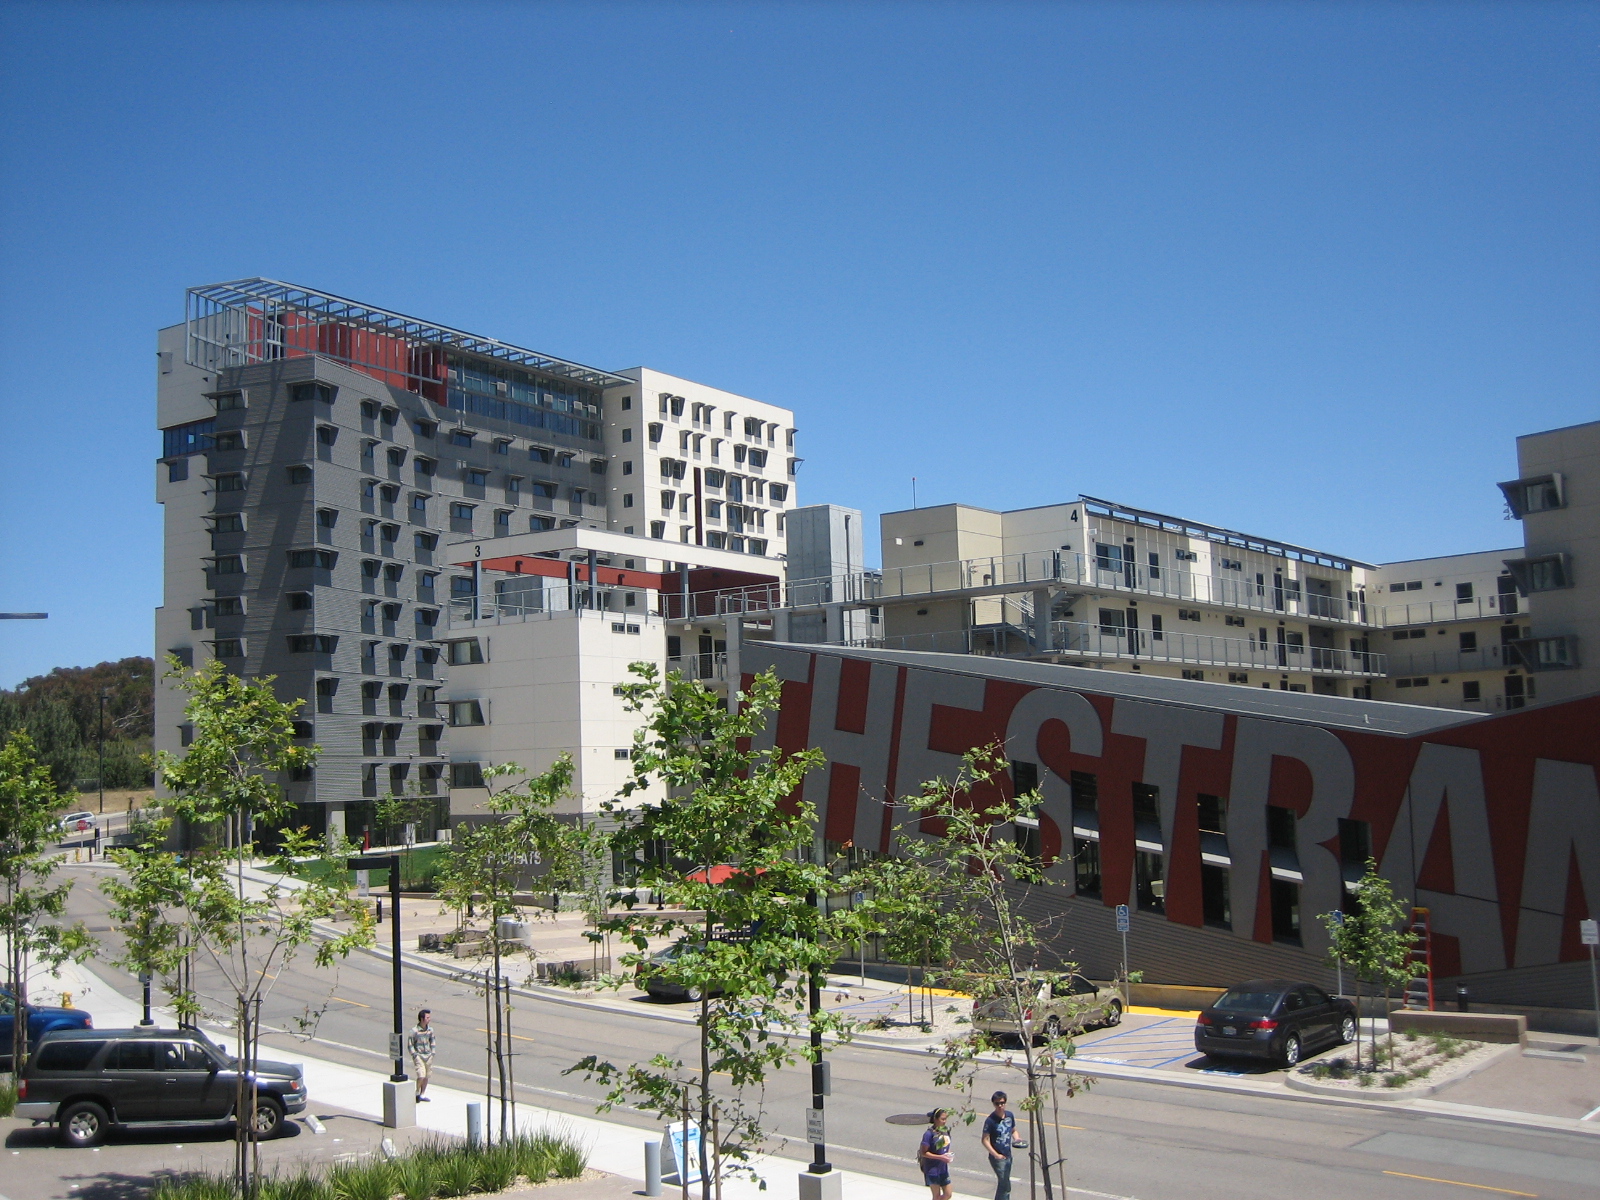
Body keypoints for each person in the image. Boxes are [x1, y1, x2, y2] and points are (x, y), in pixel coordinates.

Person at [981, 1091, 1018, 1200]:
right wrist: (996, 1155)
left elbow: (1013, 1130)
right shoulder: (990, 1120)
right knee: (1005, 1185)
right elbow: (985, 1140)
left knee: (1004, 1183)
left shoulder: (1009, 1116)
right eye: (997, 1104)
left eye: (1002, 1103)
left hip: (1008, 1155)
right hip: (997, 1158)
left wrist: (1017, 1139)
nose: (1000, 1106)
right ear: (993, 1104)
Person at [918, 1108, 953, 1200]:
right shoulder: (929, 1134)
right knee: (936, 1196)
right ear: (935, 1119)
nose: (944, 1121)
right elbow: (924, 1152)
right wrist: (940, 1157)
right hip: (932, 1169)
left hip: (943, 1169)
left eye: (945, 1119)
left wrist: (948, 1154)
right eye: (942, 1119)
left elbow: (946, 1145)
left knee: (948, 1194)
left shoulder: (945, 1131)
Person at [409, 1008, 435, 1100]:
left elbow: (432, 1041)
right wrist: (414, 1055)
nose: (429, 1019)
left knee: (427, 1075)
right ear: (422, 1019)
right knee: (421, 1075)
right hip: (419, 1056)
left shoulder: (430, 1030)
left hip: (428, 1056)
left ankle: (422, 1093)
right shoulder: (414, 1031)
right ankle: (417, 1092)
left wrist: (432, 1053)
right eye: (427, 1018)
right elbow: (410, 1044)